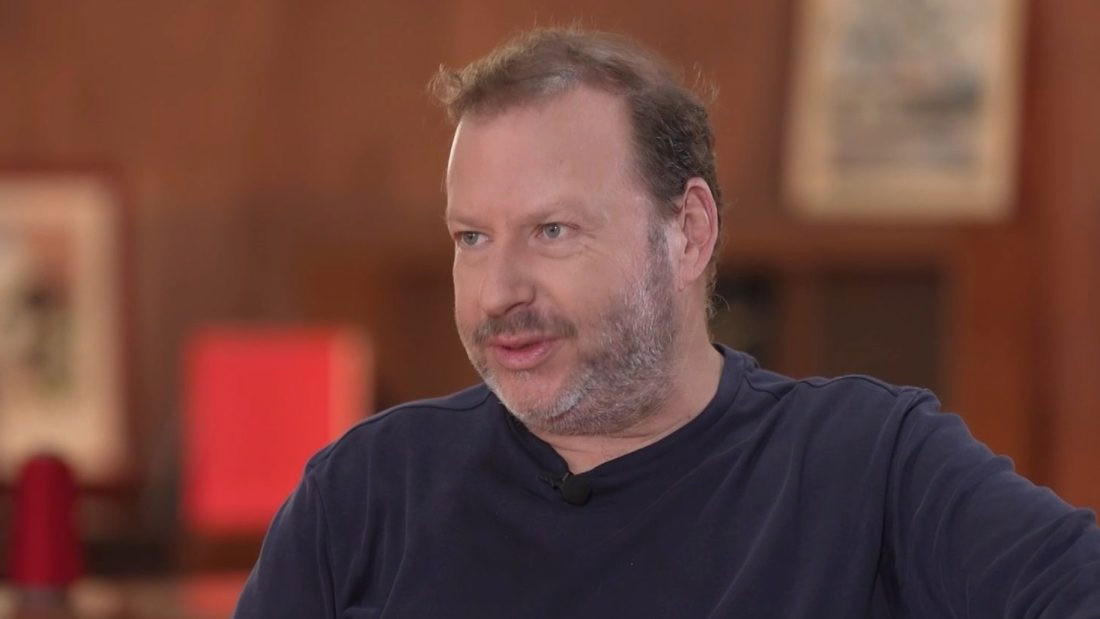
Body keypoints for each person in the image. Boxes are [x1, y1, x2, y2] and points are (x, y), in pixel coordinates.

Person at [234, 28, 1100, 617]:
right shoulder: (364, 492)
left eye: (552, 231)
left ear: (687, 232)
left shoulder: (870, 463)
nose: (498, 292)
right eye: (472, 238)